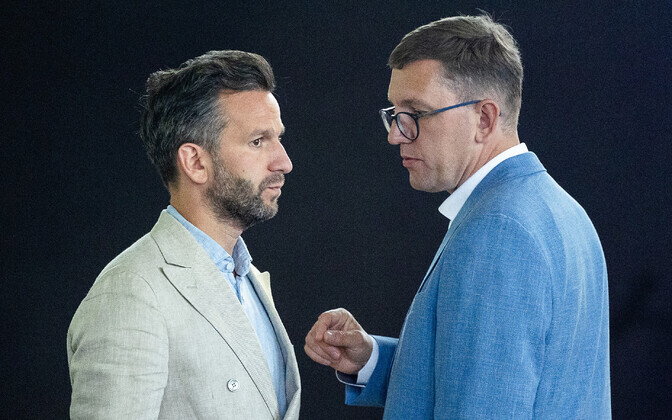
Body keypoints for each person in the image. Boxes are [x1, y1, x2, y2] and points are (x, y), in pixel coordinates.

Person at [305, 14, 611, 418]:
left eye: (416, 113)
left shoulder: (498, 232)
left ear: (484, 119)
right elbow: (493, 381)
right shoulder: (560, 210)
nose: (395, 134)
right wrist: (371, 358)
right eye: (395, 113)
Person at [67, 50, 300, 419]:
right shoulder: (130, 295)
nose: (284, 162)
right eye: (258, 141)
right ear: (195, 162)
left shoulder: (249, 279)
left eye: (278, 138)